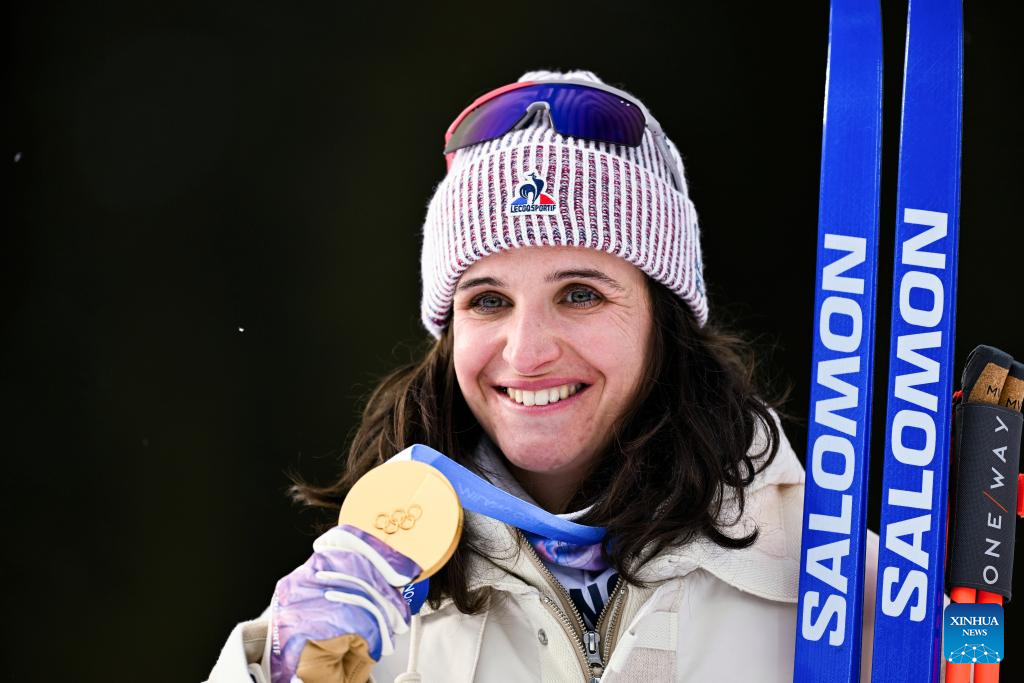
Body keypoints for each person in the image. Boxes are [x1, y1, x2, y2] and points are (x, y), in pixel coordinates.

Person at [207, 69, 878, 683]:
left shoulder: (840, 581)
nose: (527, 352)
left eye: (580, 294)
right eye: (488, 301)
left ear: (663, 319)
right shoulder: (367, 603)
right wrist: (263, 671)